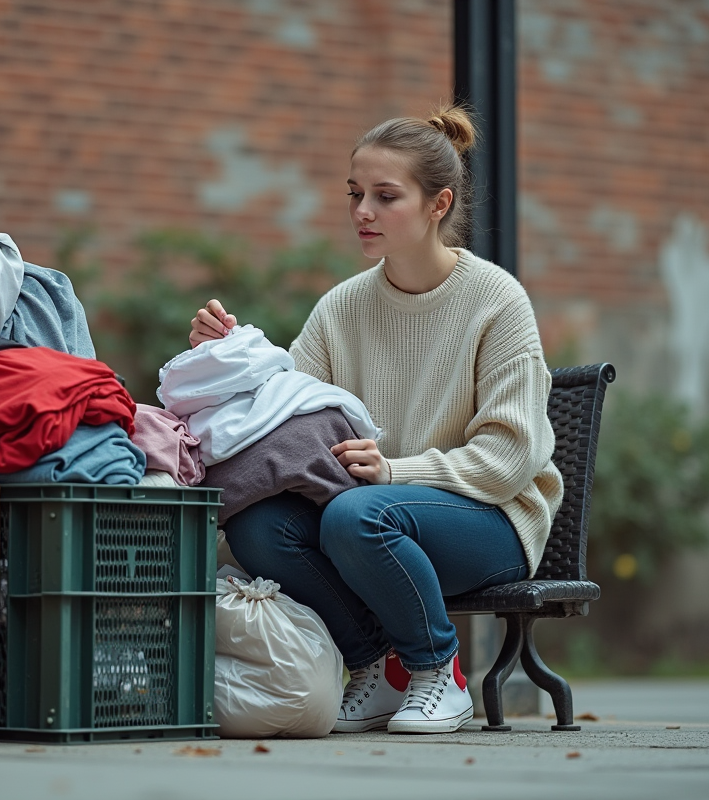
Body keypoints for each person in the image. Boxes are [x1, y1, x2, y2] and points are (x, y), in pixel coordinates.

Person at [188, 103, 563, 735]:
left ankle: (437, 672)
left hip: (488, 519)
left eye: (386, 196)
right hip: (368, 518)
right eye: (355, 194)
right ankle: (378, 668)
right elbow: (283, 408)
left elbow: (507, 459)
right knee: (259, 524)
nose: (363, 212)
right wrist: (224, 359)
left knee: (356, 514)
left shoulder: (497, 300)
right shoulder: (342, 307)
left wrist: (393, 471)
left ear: (438, 204)